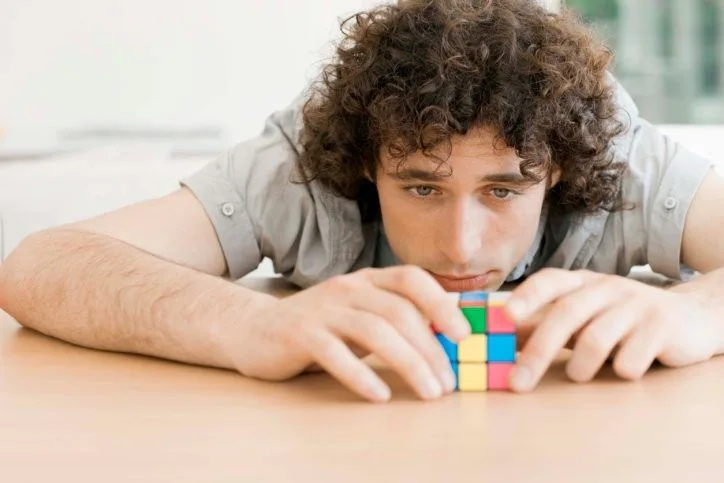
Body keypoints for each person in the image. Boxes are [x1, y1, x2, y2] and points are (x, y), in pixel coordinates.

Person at [1, 0, 723, 403]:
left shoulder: (623, 155)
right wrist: (254, 325)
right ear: (366, 167)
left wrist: (693, 309)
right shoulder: (300, 163)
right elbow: (39, 264)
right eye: (420, 187)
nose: (462, 246)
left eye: (503, 189)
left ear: (558, 170)